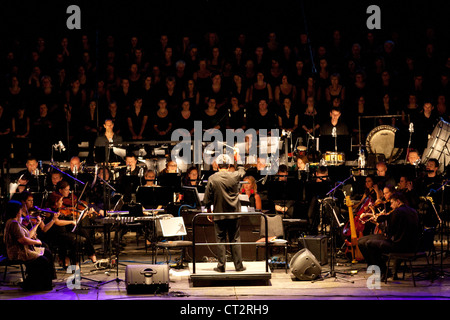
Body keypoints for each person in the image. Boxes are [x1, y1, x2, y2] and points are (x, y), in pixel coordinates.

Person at [357, 192, 420, 280]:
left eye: (391, 203)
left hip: (399, 245)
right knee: (362, 241)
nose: (390, 206)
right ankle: (380, 269)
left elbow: (389, 232)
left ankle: (383, 270)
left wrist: (379, 224)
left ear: (398, 202)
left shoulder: (397, 212)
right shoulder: (413, 211)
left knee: (368, 243)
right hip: (412, 245)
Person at [203, 154, 246, 273]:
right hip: (234, 214)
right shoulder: (235, 176)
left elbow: (207, 198)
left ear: (217, 166)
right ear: (228, 166)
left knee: (220, 240)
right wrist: (238, 157)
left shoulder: (212, 178)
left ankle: (221, 266)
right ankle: (239, 266)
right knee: (235, 239)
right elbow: (242, 170)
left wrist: (208, 211)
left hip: (219, 214)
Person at [3, 200, 54, 291]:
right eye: (20, 210)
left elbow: (27, 236)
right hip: (18, 252)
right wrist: (37, 242)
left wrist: (37, 224)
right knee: (43, 260)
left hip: (23, 249)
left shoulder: (15, 222)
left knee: (47, 252)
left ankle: (46, 282)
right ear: (16, 211)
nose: (21, 212)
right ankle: (39, 285)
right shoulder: (13, 223)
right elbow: (22, 240)